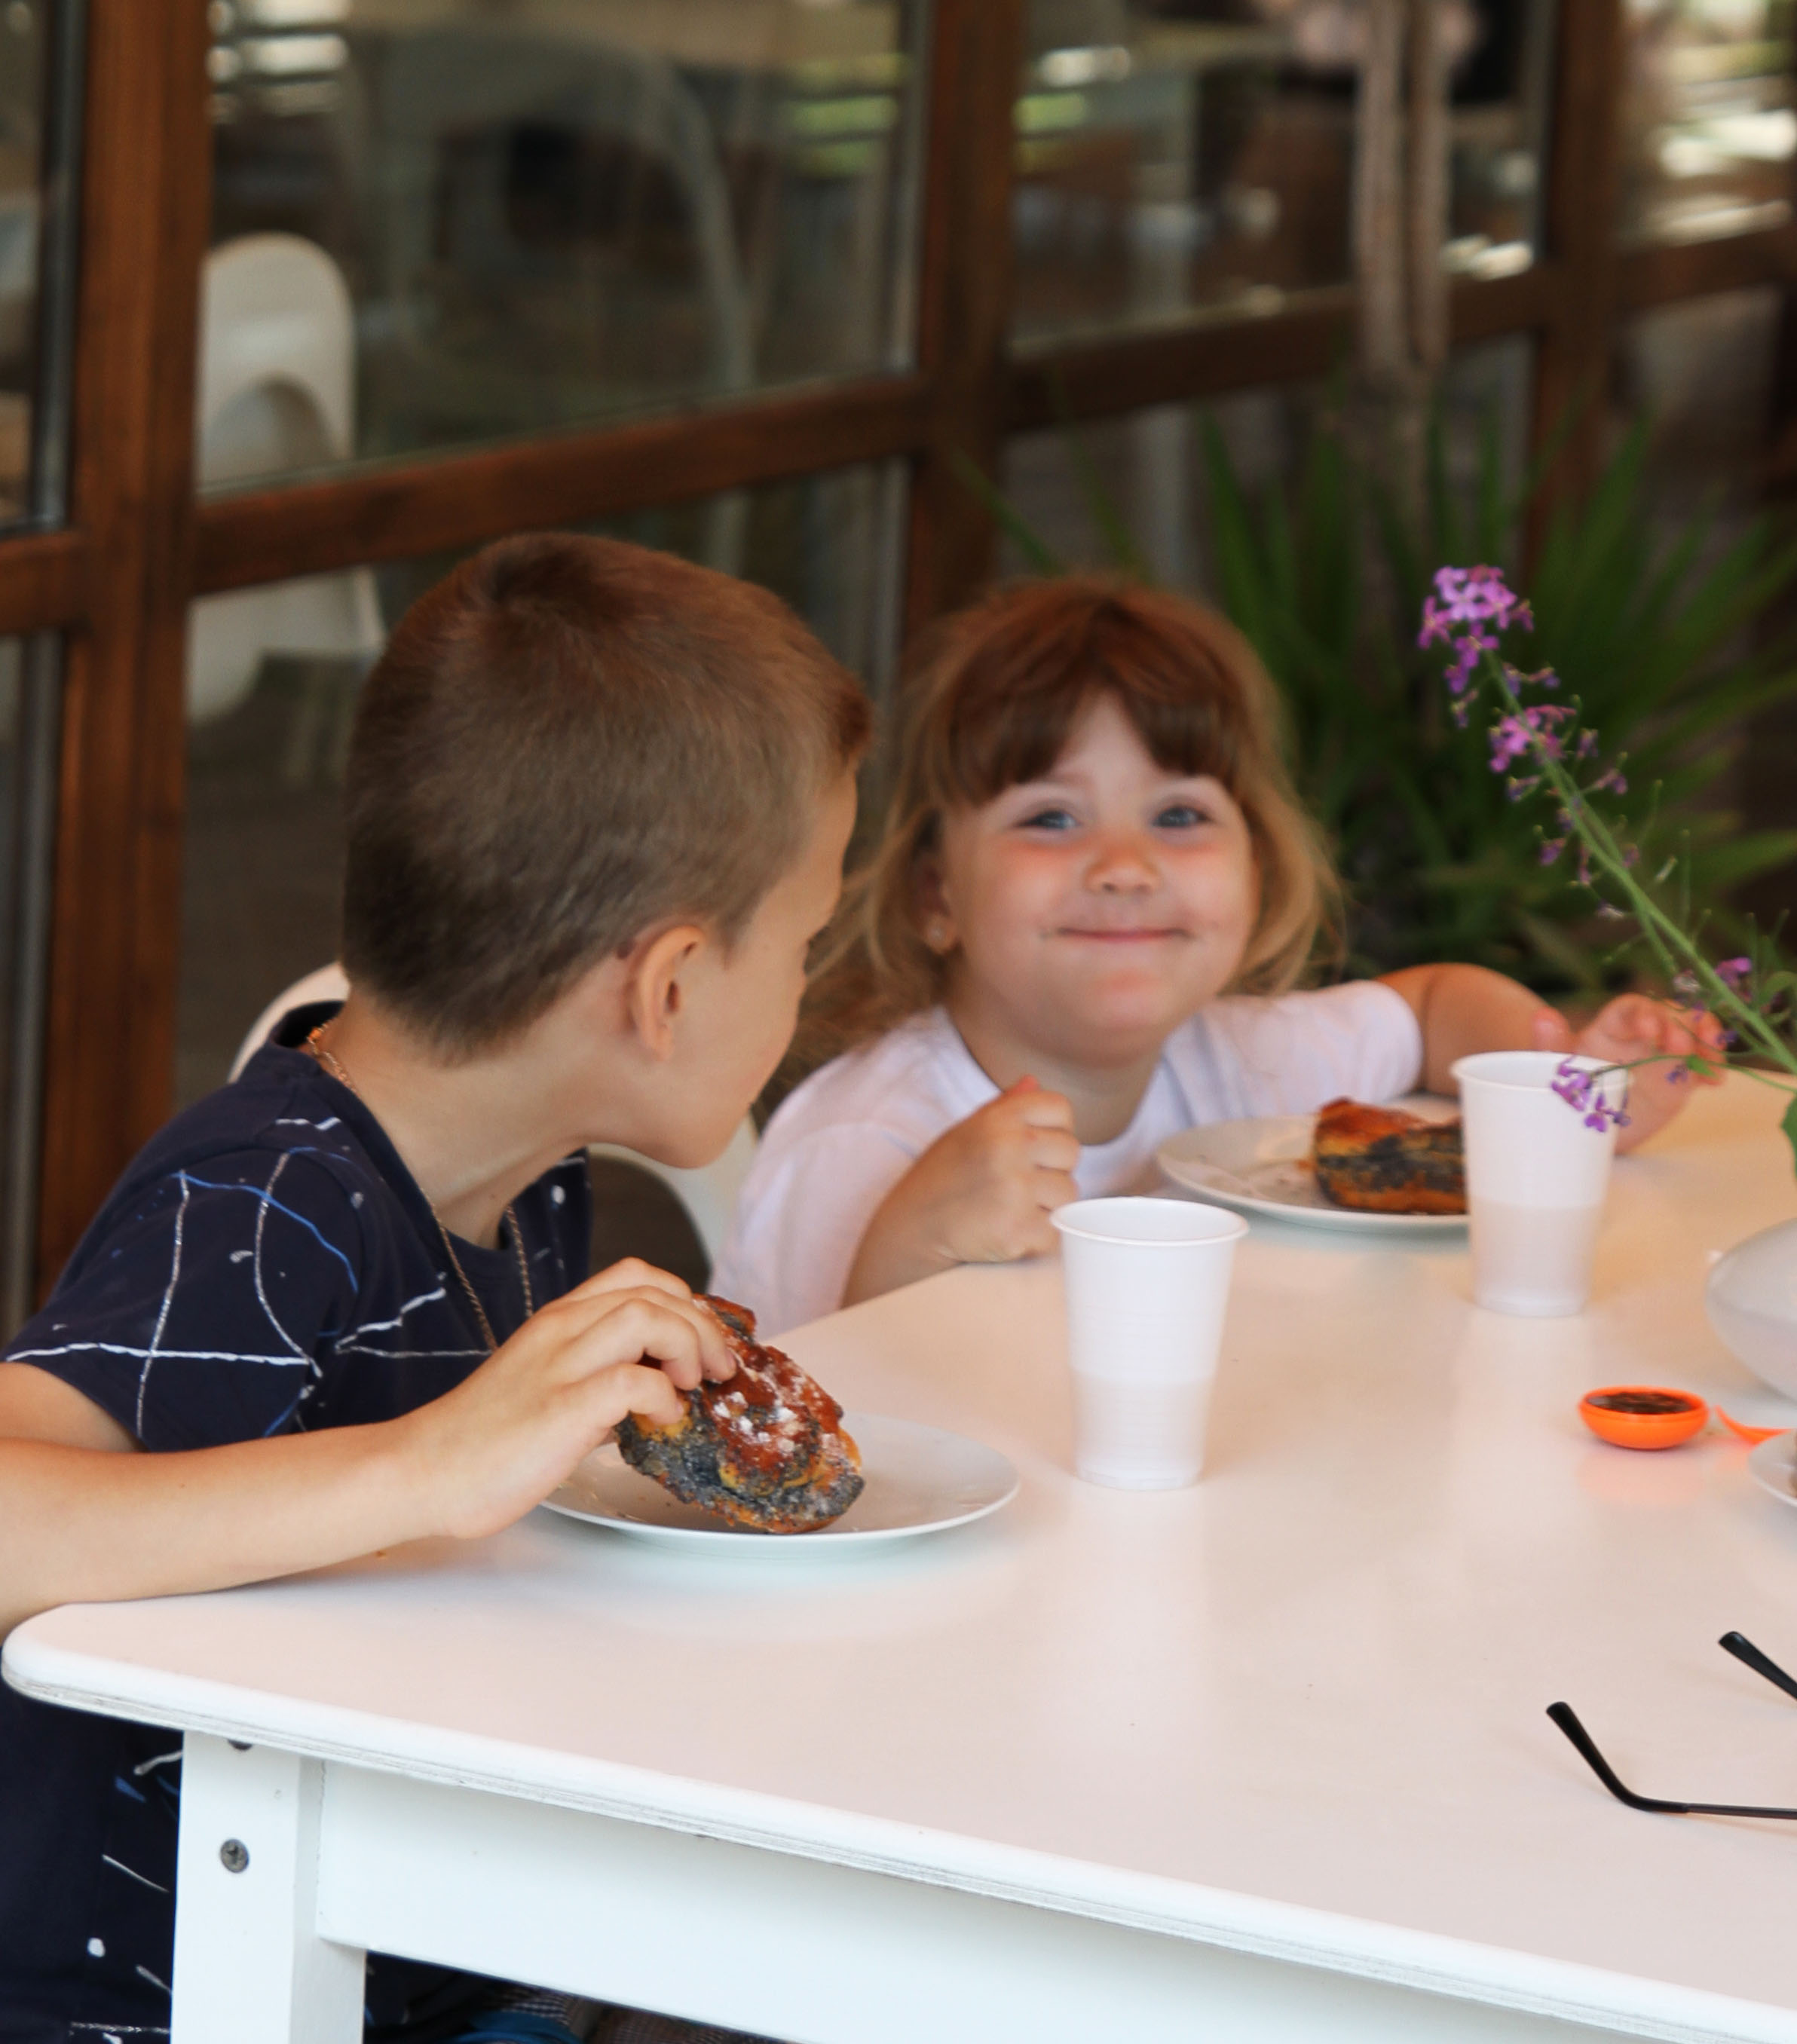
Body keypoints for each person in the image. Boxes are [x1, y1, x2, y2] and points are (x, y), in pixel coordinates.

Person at [0, 534, 867, 2044]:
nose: (810, 987)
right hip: (183, 2002)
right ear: (666, 989)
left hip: (421, 1938)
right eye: (804, 944)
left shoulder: (529, 1175)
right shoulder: (270, 1202)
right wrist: (430, 1462)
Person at [714, 576, 1719, 1335]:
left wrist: (1561, 1095)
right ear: (936, 893)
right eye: (1052, 817)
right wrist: (911, 1239)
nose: (1124, 866)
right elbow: (806, 1428)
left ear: (1259, 868)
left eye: (1180, 814)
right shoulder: (865, 1142)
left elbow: (1430, 1006)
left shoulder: (1240, 1058)